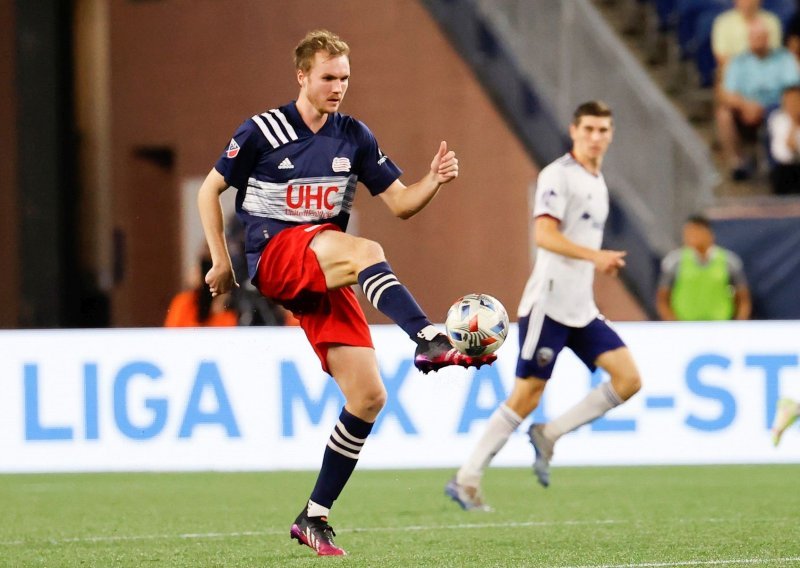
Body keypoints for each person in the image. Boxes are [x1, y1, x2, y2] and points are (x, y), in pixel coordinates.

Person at [196, 29, 496, 556]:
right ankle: (426, 336)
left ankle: (313, 516)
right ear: (302, 77)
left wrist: (434, 180)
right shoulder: (263, 130)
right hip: (276, 255)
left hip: (323, 264)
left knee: (368, 396)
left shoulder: (354, 136)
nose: (338, 87)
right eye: (328, 78)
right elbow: (208, 189)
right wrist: (222, 259)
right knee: (364, 248)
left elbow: (402, 203)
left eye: (345, 79)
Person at [445, 101, 642, 511]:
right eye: (588, 128)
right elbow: (545, 236)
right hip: (548, 305)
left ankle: (549, 435)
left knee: (628, 379)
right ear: (574, 131)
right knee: (526, 395)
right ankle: (467, 478)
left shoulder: (598, 181)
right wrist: (597, 257)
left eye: (603, 129)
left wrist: (593, 261)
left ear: (611, 134)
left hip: (580, 308)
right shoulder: (558, 175)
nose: (595, 136)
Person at [715, 17, 800, 180]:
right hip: (746, 109)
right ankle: (737, 164)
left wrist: (767, 109)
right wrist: (745, 105)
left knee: (783, 119)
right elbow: (727, 94)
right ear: (748, 39)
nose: (757, 41)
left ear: (768, 38)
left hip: (779, 108)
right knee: (724, 114)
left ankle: (781, 171)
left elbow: (792, 90)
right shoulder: (738, 62)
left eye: (761, 37)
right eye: (754, 37)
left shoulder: (784, 58)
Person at [656, 214, 751, 321]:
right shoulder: (674, 261)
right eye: (687, 233)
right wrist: (672, 322)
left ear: (708, 233)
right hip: (685, 326)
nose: (688, 236)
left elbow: (743, 298)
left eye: (694, 232)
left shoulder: (729, 261)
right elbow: (662, 298)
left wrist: (740, 322)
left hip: (720, 326)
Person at [164, 255, 238, 327]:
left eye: (196, 270)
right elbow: (172, 333)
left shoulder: (227, 312)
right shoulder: (183, 302)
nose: (191, 272)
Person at [712, 0, 783, 71]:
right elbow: (721, 57)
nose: (747, 2)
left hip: (768, 73)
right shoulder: (723, 22)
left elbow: (775, 54)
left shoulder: (771, 21)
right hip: (733, 74)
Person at [767, 84, 800, 194]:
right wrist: (794, 123)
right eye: (789, 101)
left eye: (795, 100)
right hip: (785, 170)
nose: (792, 104)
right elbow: (783, 151)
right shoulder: (778, 119)